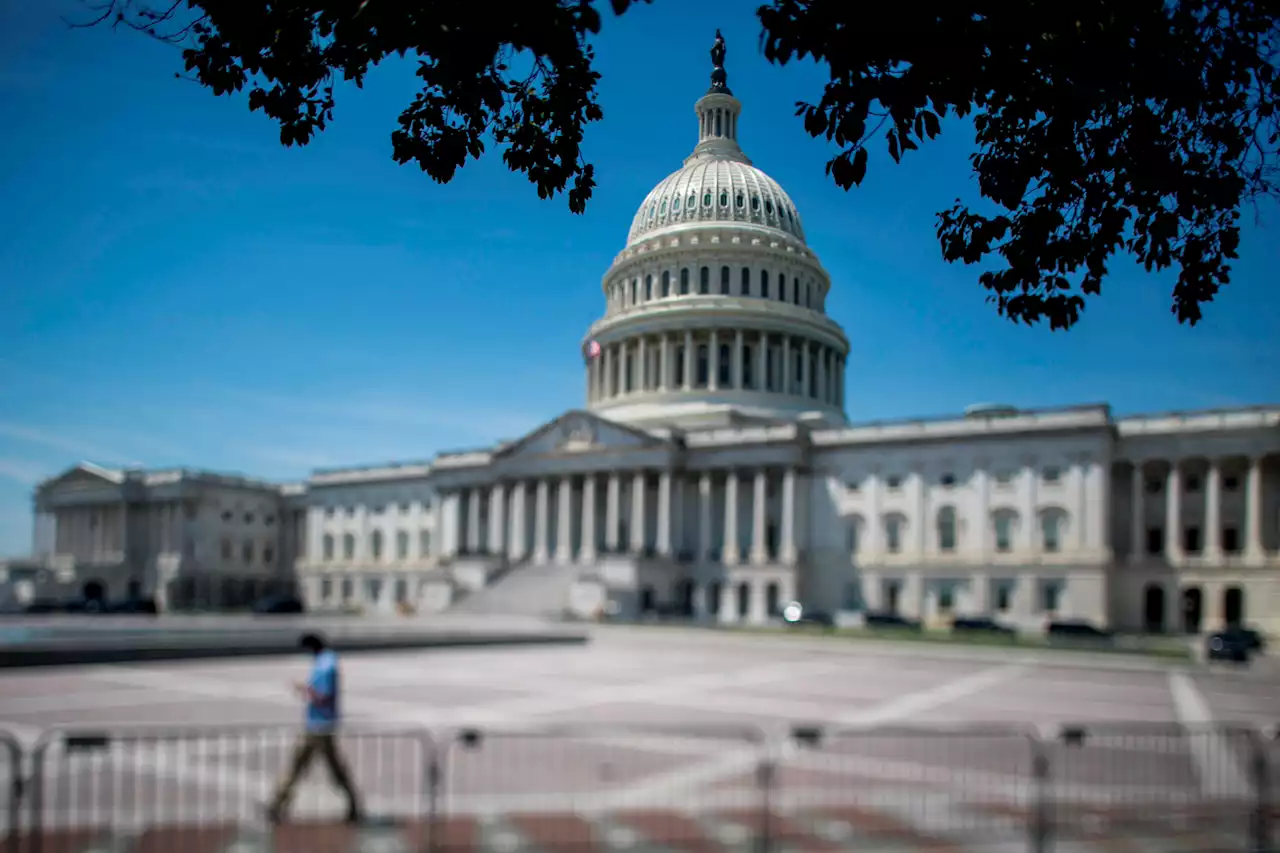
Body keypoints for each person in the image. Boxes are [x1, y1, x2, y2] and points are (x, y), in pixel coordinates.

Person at [265, 632, 362, 824]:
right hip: (321, 724)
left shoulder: (326, 665)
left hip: (318, 725)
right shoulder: (328, 662)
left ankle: (276, 805)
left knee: (298, 766)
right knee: (332, 767)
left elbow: (323, 695)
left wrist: (304, 689)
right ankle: (353, 805)